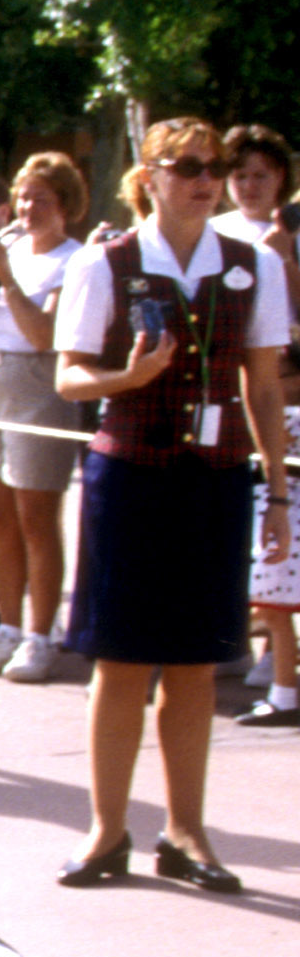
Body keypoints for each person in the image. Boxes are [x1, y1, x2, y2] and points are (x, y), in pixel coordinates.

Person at [52, 117, 289, 887]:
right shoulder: (106, 264)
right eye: (186, 165)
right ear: (147, 176)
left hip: (215, 477)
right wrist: (128, 378)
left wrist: (279, 491)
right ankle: (106, 830)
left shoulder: (253, 265)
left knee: (194, 665)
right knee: (121, 661)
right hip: (130, 474)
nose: (205, 179)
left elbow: (259, 382)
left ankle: (186, 833)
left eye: (214, 166)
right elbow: (70, 379)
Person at [0, 154, 87, 680]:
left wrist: (6, 280)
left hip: (39, 383)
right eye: (24, 196)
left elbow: (44, 335)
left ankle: (39, 634)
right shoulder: (5, 249)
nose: (29, 208)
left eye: (42, 199)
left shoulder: (75, 261)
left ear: (66, 206)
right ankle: (7, 626)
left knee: (36, 517)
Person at [218, 124, 298, 724]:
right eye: (240, 175)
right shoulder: (214, 236)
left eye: (261, 176)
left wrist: (286, 257)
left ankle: (279, 656)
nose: (249, 186)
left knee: (281, 528)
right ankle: (232, 639)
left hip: (281, 394)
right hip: (223, 397)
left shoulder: (287, 239)